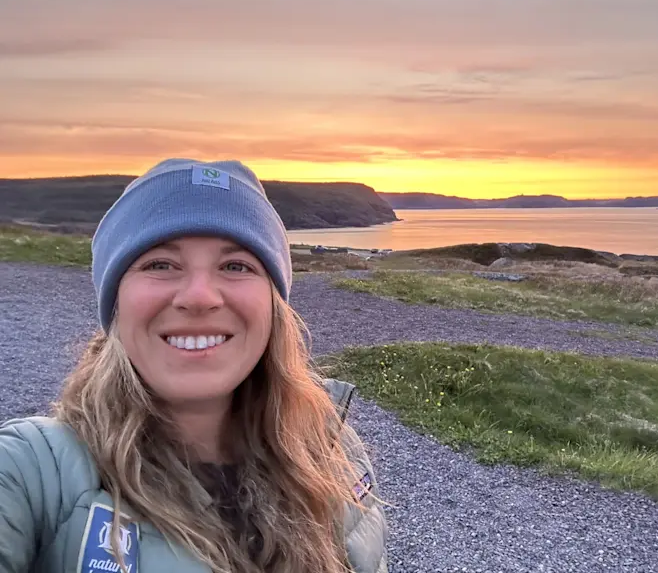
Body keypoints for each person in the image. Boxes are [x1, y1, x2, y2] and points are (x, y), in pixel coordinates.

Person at [0, 159, 389, 573]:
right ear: (116, 304)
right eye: (160, 264)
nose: (200, 296)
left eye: (236, 266)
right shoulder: (33, 472)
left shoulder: (331, 451)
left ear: (273, 305)